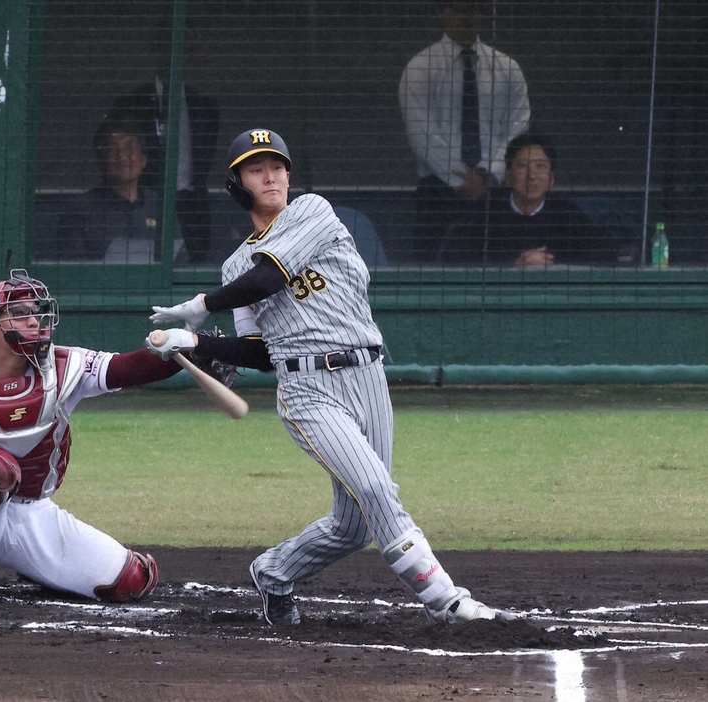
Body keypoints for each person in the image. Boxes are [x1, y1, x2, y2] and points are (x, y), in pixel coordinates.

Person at [145, 128, 515, 626]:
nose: (271, 175)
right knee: (379, 491)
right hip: (308, 391)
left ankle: (274, 571)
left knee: (353, 527)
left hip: (368, 376)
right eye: (256, 168)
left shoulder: (311, 211)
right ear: (237, 184)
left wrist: (201, 305)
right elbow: (260, 352)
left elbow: (269, 278)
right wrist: (195, 343)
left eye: (277, 165)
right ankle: (449, 602)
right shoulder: (235, 265)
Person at [0, 268, 185, 599]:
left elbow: (126, 368)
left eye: (37, 313)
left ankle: (38, 567)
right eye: (19, 314)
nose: (34, 321)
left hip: (33, 511)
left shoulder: (65, 365)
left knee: (130, 582)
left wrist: (189, 352)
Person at [399, 0, 530, 262]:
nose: (466, 17)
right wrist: (460, 179)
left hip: (494, 188)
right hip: (438, 190)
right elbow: (421, 132)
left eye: (474, 9)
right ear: (441, 13)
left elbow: (517, 128)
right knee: (431, 270)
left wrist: (488, 174)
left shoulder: (507, 69)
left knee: (499, 262)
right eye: (457, 9)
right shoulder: (420, 68)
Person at [111, 27, 220, 265]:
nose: (180, 57)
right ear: (157, 51)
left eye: (188, 50)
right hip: (147, 203)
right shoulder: (132, 104)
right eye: (173, 49)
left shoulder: (206, 109)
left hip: (193, 207)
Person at [440, 132, 616, 267]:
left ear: (551, 179)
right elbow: (453, 260)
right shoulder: (483, 213)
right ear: (508, 176)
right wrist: (514, 265)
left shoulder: (567, 214)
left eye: (541, 167)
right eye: (523, 166)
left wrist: (551, 264)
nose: (532, 176)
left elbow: (604, 256)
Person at [55, 115, 182, 263]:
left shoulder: (161, 205)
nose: (121, 156)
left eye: (129, 148)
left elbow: (179, 261)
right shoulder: (80, 210)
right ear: (101, 161)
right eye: (112, 150)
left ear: (143, 160)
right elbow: (72, 268)